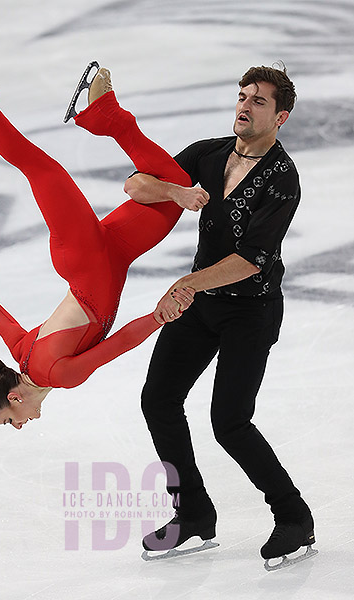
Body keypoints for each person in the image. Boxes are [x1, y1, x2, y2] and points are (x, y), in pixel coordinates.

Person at [0, 35, 200, 428]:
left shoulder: (60, 376)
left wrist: (158, 318)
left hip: (84, 258)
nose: (20, 424)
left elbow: (122, 343)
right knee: (175, 184)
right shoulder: (20, 351)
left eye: (10, 420)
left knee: (39, 167)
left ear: (13, 398)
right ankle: (104, 114)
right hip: (115, 256)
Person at [126, 64, 316, 565]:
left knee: (230, 422)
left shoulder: (282, 177)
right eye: (242, 96)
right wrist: (175, 192)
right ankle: (193, 515)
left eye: (258, 101)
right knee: (158, 399)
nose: (244, 106)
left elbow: (251, 259)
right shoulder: (208, 154)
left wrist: (187, 282)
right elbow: (135, 184)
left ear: (281, 117)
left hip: (250, 311)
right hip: (202, 304)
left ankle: (295, 518)